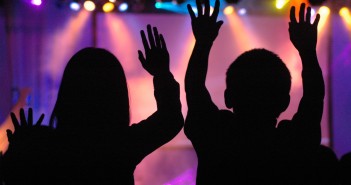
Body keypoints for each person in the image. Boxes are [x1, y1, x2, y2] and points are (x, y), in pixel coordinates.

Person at [5, 25, 184, 185]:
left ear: (68, 91)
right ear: (117, 94)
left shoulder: (48, 144)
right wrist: (162, 73)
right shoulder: (122, 145)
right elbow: (170, 119)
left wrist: (20, 150)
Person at [184, 0, 324, 184]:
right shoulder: (292, 144)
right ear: (284, 102)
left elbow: (194, 87)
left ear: (228, 98)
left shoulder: (215, 136)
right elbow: (314, 99)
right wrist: (308, 52)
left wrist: (202, 43)